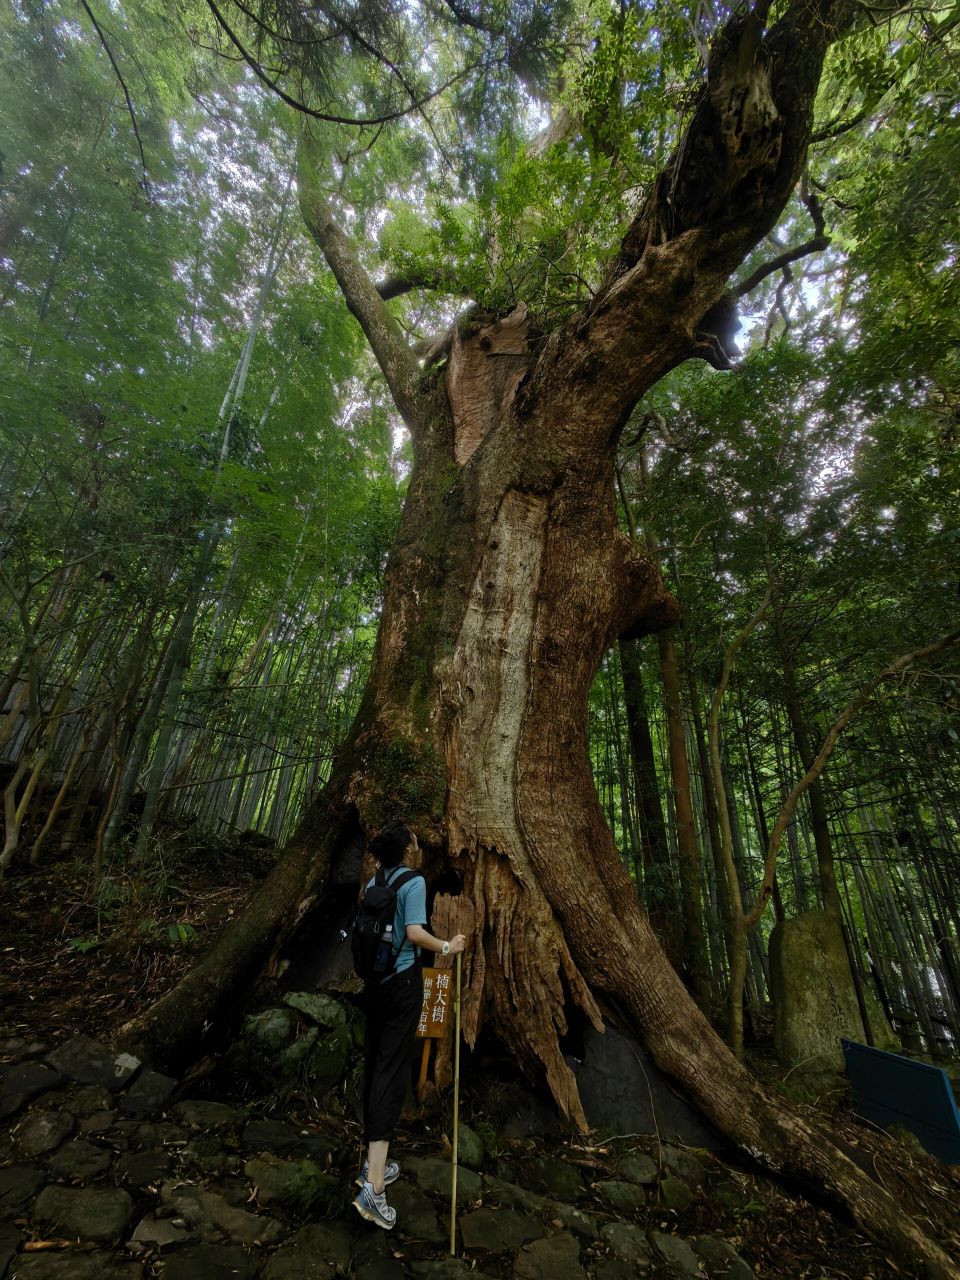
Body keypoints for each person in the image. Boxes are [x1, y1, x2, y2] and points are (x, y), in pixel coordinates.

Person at [353, 820, 467, 1230]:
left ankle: (372, 1164)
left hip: (374, 987)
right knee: (391, 1074)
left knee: (375, 1069)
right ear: (407, 850)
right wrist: (447, 946)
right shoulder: (414, 883)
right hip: (402, 987)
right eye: (415, 842)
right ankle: (374, 1190)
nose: (419, 846)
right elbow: (415, 932)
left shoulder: (375, 880)